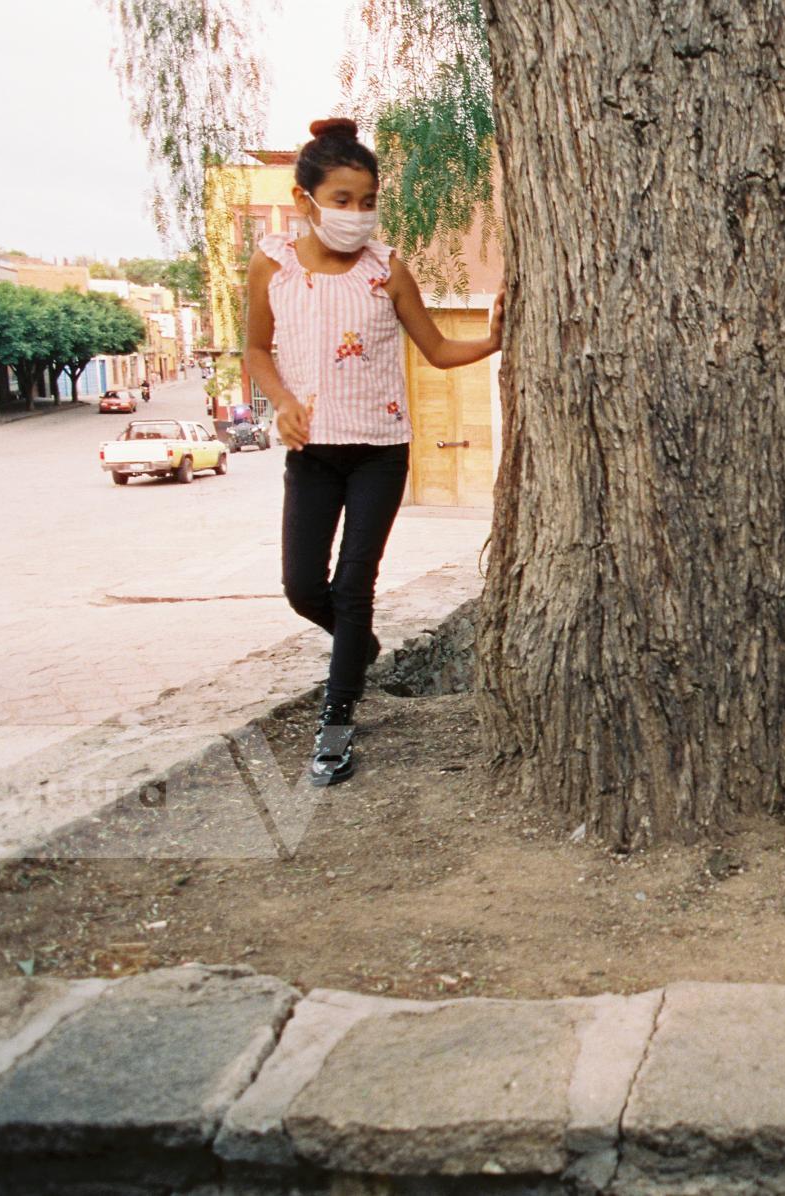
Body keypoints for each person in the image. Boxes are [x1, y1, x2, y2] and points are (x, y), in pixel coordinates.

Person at [246, 117, 504, 786]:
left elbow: (439, 350)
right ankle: (358, 647)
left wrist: (493, 339)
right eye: (341, 200)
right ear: (305, 201)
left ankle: (336, 723)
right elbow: (254, 349)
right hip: (312, 452)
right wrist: (281, 401)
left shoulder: (388, 269)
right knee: (303, 586)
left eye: (366, 201)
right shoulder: (271, 264)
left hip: (380, 452)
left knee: (353, 581)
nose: (356, 215)